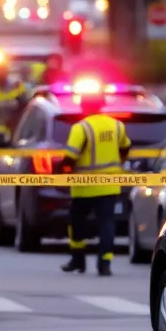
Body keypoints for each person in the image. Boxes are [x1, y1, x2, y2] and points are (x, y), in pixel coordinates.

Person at [59, 90, 131, 276]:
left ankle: (78, 260)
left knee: (77, 222)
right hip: (109, 184)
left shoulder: (81, 128)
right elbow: (125, 148)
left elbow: (71, 156)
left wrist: (61, 170)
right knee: (106, 223)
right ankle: (104, 264)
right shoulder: (117, 126)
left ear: (82, 105)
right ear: (102, 105)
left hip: (84, 187)